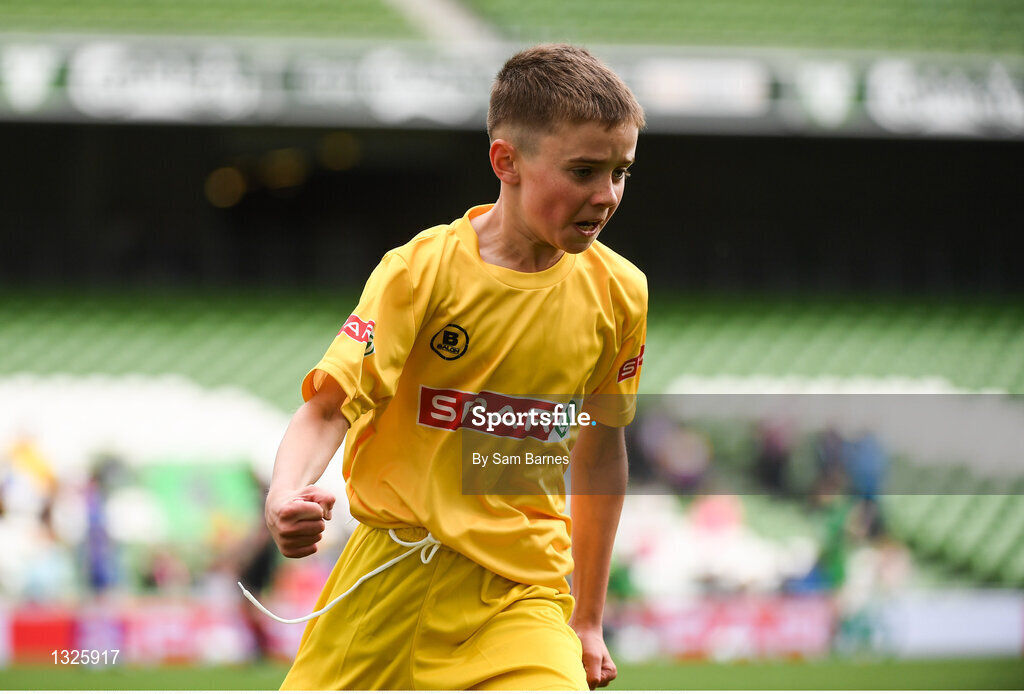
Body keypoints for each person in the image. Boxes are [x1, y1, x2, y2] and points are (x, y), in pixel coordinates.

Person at [261, 43, 647, 690]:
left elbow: (601, 452)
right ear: (507, 161)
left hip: (521, 599)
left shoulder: (620, 292)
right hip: (384, 586)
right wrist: (283, 493)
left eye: (622, 172)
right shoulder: (421, 271)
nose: (606, 195)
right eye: (584, 171)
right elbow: (330, 406)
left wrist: (587, 617)